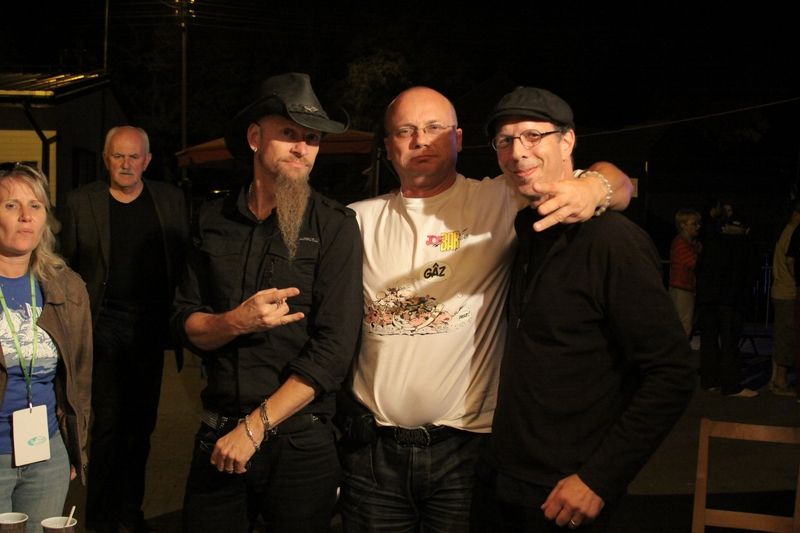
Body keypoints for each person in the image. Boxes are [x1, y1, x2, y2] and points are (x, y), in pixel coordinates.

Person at [338, 86, 633, 532]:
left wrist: (594, 188)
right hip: (373, 455)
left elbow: (620, 183)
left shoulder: (498, 199)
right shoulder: (356, 220)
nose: (420, 140)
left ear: (458, 139)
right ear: (388, 146)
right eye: (405, 131)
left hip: (466, 451)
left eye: (434, 128)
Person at [469, 87, 694, 532]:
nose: (518, 152)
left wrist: (600, 478)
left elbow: (672, 373)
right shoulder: (528, 227)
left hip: (566, 490)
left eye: (533, 136)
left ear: (567, 141)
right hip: (503, 476)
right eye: (505, 140)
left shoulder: (612, 241)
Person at [171, 72, 363, 532]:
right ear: (255, 138)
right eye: (290, 134)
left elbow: (334, 350)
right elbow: (183, 321)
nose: (303, 148)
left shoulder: (335, 225)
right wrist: (235, 322)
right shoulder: (212, 219)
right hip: (219, 434)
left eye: (312, 139)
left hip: (299, 442)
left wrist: (254, 428)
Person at [59, 126, 189, 533]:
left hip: (150, 329)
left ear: (147, 161)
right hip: (103, 327)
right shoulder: (81, 202)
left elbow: (184, 260)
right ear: (106, 159)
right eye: (118, 156)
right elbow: (63, 267)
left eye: (134, 157)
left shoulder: (170, 200)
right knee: (109, 427)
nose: (126, 164)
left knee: (141, 427)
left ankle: (131, 514)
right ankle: (100, 518)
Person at [0, 164, 92, 533]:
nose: (26, 216)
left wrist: (72, 445)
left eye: (35, 205)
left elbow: (80, 376)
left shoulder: (67, 287)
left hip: (46, 452)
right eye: (11, 205)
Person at [695, 214, 760, 398]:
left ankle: (709, 380)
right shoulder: (746, 246)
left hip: (707, 299)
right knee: (730, 343)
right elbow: (751, 275)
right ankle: (731, 385)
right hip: (731, 301)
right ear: (745, 229)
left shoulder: (712, 244)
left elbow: (699, 269)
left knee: (709, 341)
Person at [770, 202, 800, 396]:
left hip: (780, 290)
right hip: (788, 291)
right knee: (787, 337)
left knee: (781, 335)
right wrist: (797, 280)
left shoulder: (786, 230)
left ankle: (774, 378)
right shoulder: (793, 232)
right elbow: (790, 261)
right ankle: (780, 381)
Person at [668, 208, 702, 337]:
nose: (698, 227)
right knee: (683, 326)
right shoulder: (681, 244)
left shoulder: (686, 243)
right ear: (683, 225)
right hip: (682, 289)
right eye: (694, 224)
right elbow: (694, 263)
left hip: (684, 288)